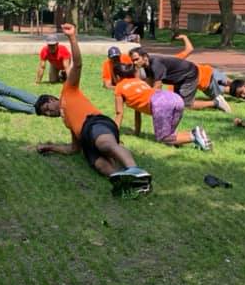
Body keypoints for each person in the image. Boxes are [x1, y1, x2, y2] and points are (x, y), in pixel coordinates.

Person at [35, 24, 152, 196]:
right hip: (86, 137)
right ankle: (125, 180)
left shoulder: (68, 90)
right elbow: (74, 149)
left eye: (47, 107)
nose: (49, 112)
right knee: (97, 162)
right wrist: (50, 147)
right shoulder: (67, 121)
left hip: (95, 122)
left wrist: (72, 38)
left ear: (52, 99)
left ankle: (135, 170)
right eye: (45, 113)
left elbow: (78, 65)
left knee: (105, 144)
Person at [112, 63, 212, 149]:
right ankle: (197, 134)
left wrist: (113, 135)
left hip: (160, 103)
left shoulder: (119, 87)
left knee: (164, 138)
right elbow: (137, 109)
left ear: (117, 77)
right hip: (174, 98)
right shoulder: (139, 81)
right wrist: (136, 132)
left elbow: (119, 113)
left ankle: (193, 136)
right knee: (170, 135)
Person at [129, 48, 226, 111]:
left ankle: (216, 103)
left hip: (189, 74)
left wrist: (147, 100)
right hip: (180, 77)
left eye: (136, 59)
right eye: (133, 60)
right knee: (177, 104)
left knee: (186, 105)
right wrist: (140, 92)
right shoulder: (147, 65)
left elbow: (158, 86)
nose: (134, 62)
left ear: (145, 57)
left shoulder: (155, 64)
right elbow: (150, 81)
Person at [172, 34, 233, 113]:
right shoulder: (175, 59)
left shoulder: (171, 71)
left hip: (205, 79)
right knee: (232, 85)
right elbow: (190, 49)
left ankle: (217, 102)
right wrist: (185, 38)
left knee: (229, 89)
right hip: (209, 70)